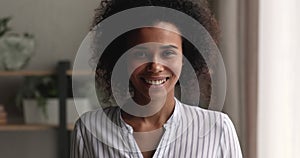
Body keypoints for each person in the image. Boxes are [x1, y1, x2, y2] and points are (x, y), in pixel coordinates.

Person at [70, 0, 243, 158]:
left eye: (168, 53)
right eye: (141, 53)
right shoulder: (89, 130)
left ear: (184, 60)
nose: (155, 66)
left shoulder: (217, 129)